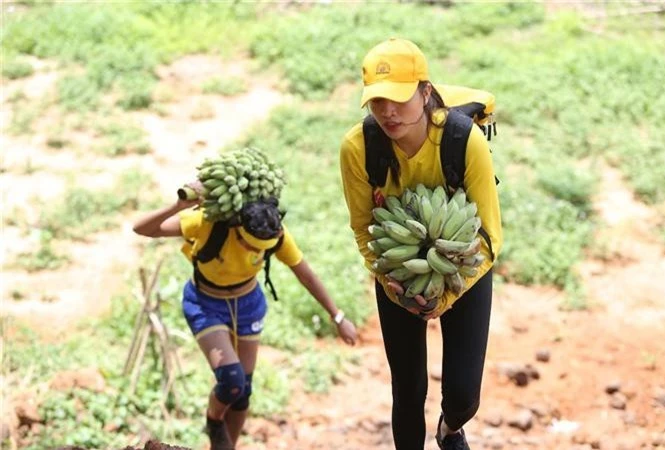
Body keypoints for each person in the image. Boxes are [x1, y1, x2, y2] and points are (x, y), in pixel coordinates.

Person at [339, 38, 502, 450]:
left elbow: (490, 235)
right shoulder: (359, 149)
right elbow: (363, 227)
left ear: (425, 91)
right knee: (408, 390)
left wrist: (446, 296)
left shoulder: (465, 142)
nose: (387, 111)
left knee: (464, 394)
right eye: (377, 101)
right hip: (398, 271)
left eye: (398, 98)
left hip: (466, 264)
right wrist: (387, 279)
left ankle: (451, 428)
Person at [133, 192, 358, 450]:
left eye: (261, 249)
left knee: (243, 393)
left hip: (247, 305)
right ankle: (214, 419)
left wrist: (338, 317)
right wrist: (178, 206)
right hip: (207, 304)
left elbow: (305, 274)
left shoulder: (274, 234)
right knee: (231, 380)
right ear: (236, 227)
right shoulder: (208, 223)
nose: (255, 252)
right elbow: (142, 228)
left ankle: (228, 445)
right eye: (249, 245)